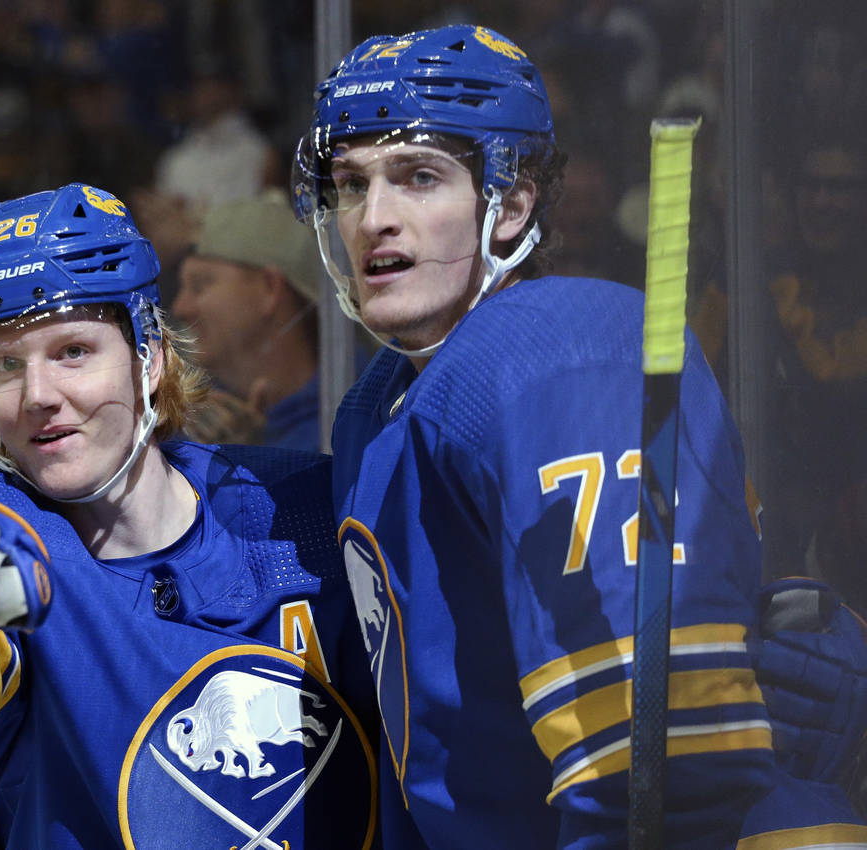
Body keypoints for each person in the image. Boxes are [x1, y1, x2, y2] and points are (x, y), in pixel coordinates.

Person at [289, 24, 867, 848]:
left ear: (512, 203)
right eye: (350, 184)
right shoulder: (384, 399)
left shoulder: (562, 349)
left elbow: (664, 753)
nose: (373, 217)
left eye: (419, 178)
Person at [0, 183, 393, 850]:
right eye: (5, 365)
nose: (38, 396)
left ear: (150, 354)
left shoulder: (306, 508)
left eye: (73, 352)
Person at [172, 189, 324, 452]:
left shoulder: (357, 418)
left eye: (199, 285)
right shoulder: (189, 420)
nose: (180, 308)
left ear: (269, 288)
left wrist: (244, 462)